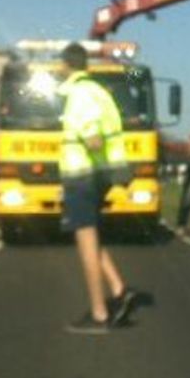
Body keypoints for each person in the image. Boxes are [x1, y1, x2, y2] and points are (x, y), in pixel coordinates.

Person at [56, 43, 136, 334]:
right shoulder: (100, 91)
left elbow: (93, 138)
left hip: (82, 176)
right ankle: (119, 290)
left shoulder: (79, 94)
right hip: (97, 175)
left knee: (86, 243)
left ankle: (99, 314)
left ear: (66, 65)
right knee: (93, 238)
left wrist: (89, 140)